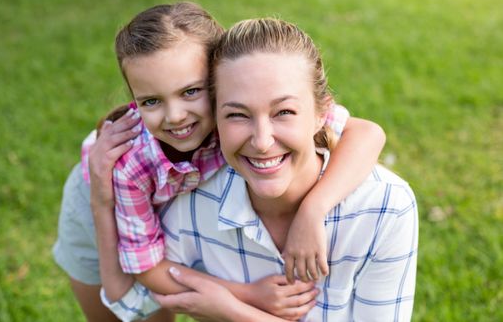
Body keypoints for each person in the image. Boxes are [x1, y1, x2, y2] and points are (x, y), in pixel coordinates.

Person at [53, 2, 386, 321]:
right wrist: (246, 295)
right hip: (99, 194)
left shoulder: (242, 116)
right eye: (151, 100)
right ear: (134, 98)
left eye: (191, 91)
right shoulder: (131, 166)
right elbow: (141, 272)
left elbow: (368, 134)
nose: (175, 116)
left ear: (218, 78)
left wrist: (313, 209)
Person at [151, 18, 418, 321]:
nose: (262, 142)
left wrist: (232, 311)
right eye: (237, 114)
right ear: (215, 119)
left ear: (322, 115)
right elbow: (138, 293)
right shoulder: (193, 199)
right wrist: (102, 199)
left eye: (284, 112)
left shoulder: (384, 205)